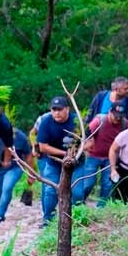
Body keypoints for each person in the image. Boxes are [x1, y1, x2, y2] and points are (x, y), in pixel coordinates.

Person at [75, 101, 128, 207]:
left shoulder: (125, 124)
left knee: (107, 184)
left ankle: (101, 207)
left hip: (111, 158)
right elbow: (86, 133)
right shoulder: (99, 120)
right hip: (93, 155)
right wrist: (84, 146)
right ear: (110, 112)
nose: (117, 118)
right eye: (115, 116)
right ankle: (78, 204)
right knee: (88, 183)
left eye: (120, 116)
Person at [35, 95, 79, 227]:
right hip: (54, 162)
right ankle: (48, 220)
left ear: (67, 109)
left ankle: (75, 219)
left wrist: (77, 151)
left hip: (76, 163)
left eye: (60, 109)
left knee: (77, 192)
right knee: (49, 190)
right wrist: (65, 154)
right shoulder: (46, 121)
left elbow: (89, 142)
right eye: (54, 109)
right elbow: (43, 146)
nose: (57, 112)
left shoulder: (77, 121)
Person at [0, 126, 34, 223]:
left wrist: (31, 174)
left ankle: (0, 215)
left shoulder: (21, 137)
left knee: (7, 187)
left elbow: (28, 156)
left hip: (15, 167)